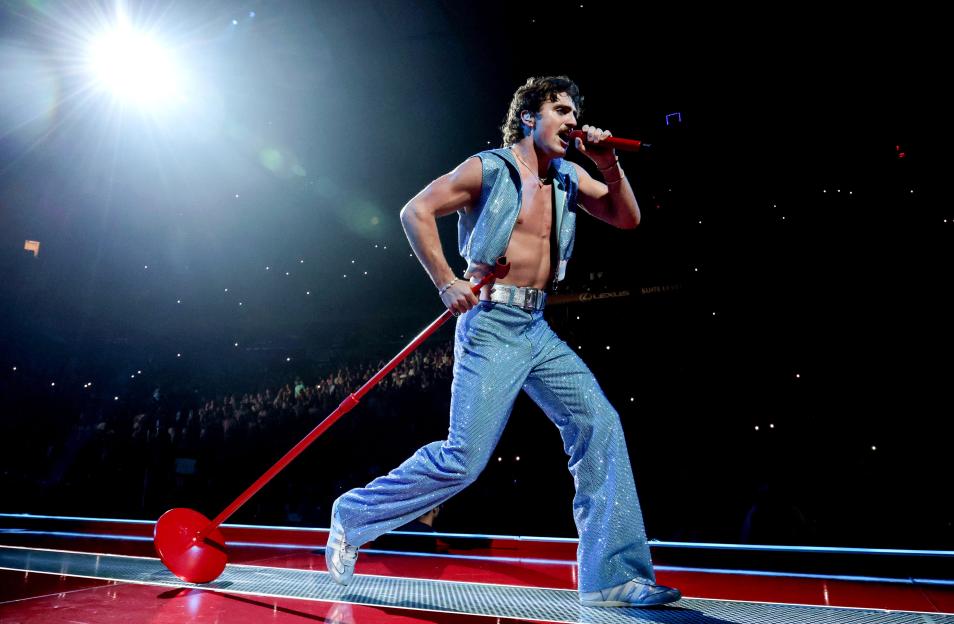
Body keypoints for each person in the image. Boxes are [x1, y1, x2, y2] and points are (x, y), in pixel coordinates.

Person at [326, 76, 680, 608]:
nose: (572, 118)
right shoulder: (487, 168)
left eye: (576, 110)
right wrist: (447, 281)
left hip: (536, 328)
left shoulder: (568, 176)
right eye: (561, 109)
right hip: (490, 323)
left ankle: (611, 578)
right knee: (463, 460)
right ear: (529, 118)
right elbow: (414, 211)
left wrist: (608, 161)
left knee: (599, 425)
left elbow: (626, 217)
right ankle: (353, 516)